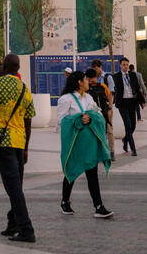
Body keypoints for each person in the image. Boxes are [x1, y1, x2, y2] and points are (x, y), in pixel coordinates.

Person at [0, 53, 39, 242]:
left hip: (2, 143)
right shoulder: (24, 88)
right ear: (18, 68)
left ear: (3, 66)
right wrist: (27, 147)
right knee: (16, 186)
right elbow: (28, 121)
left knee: (13, 188)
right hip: (19, 142)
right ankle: (13, 224)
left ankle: (26, 230)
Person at [55, 69, 113, 220]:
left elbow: (99, 114)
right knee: (71, 171)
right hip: (75, 143)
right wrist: (78, 120)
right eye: (86, 80)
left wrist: (91, 118)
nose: (88, 82)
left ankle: (98, 206)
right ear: (80, 82)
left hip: (89, 144)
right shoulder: (65, 99)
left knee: (92, 174)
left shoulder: (88, 98)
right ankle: (65, 201)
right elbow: (61, 121)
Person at [110, 58, 141, 156]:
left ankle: (125, 139)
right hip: (122, 103)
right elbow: (114, 90)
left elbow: (137, 88)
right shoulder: (116, 76)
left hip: (132, 102)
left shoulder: (133, 75)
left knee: (133, 125)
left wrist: (141, 101)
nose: (126, 66)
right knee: (127, 125)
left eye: (127, 64)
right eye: (123, 64)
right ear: (120, 65)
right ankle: (133, 149)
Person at [88, 60, 114, 160]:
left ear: (100, 67)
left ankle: (111, 152)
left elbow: (111, 94)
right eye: (93, 69)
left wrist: (110, 108)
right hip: (94, 114)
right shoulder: (89, 86)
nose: (95, 70)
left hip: (105, 110)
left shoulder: (106, 80)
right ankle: (100, 152)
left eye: (96, 68)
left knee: (109, 130)